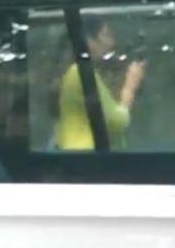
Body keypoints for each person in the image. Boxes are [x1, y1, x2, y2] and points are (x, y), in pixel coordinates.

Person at [55, 19, 146, 150]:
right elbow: (116, 122)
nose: (111, 43)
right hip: (86, 157)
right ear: (88, 40)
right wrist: (130, 86)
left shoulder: (75, 73)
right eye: (106, 36)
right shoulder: (80, 73)